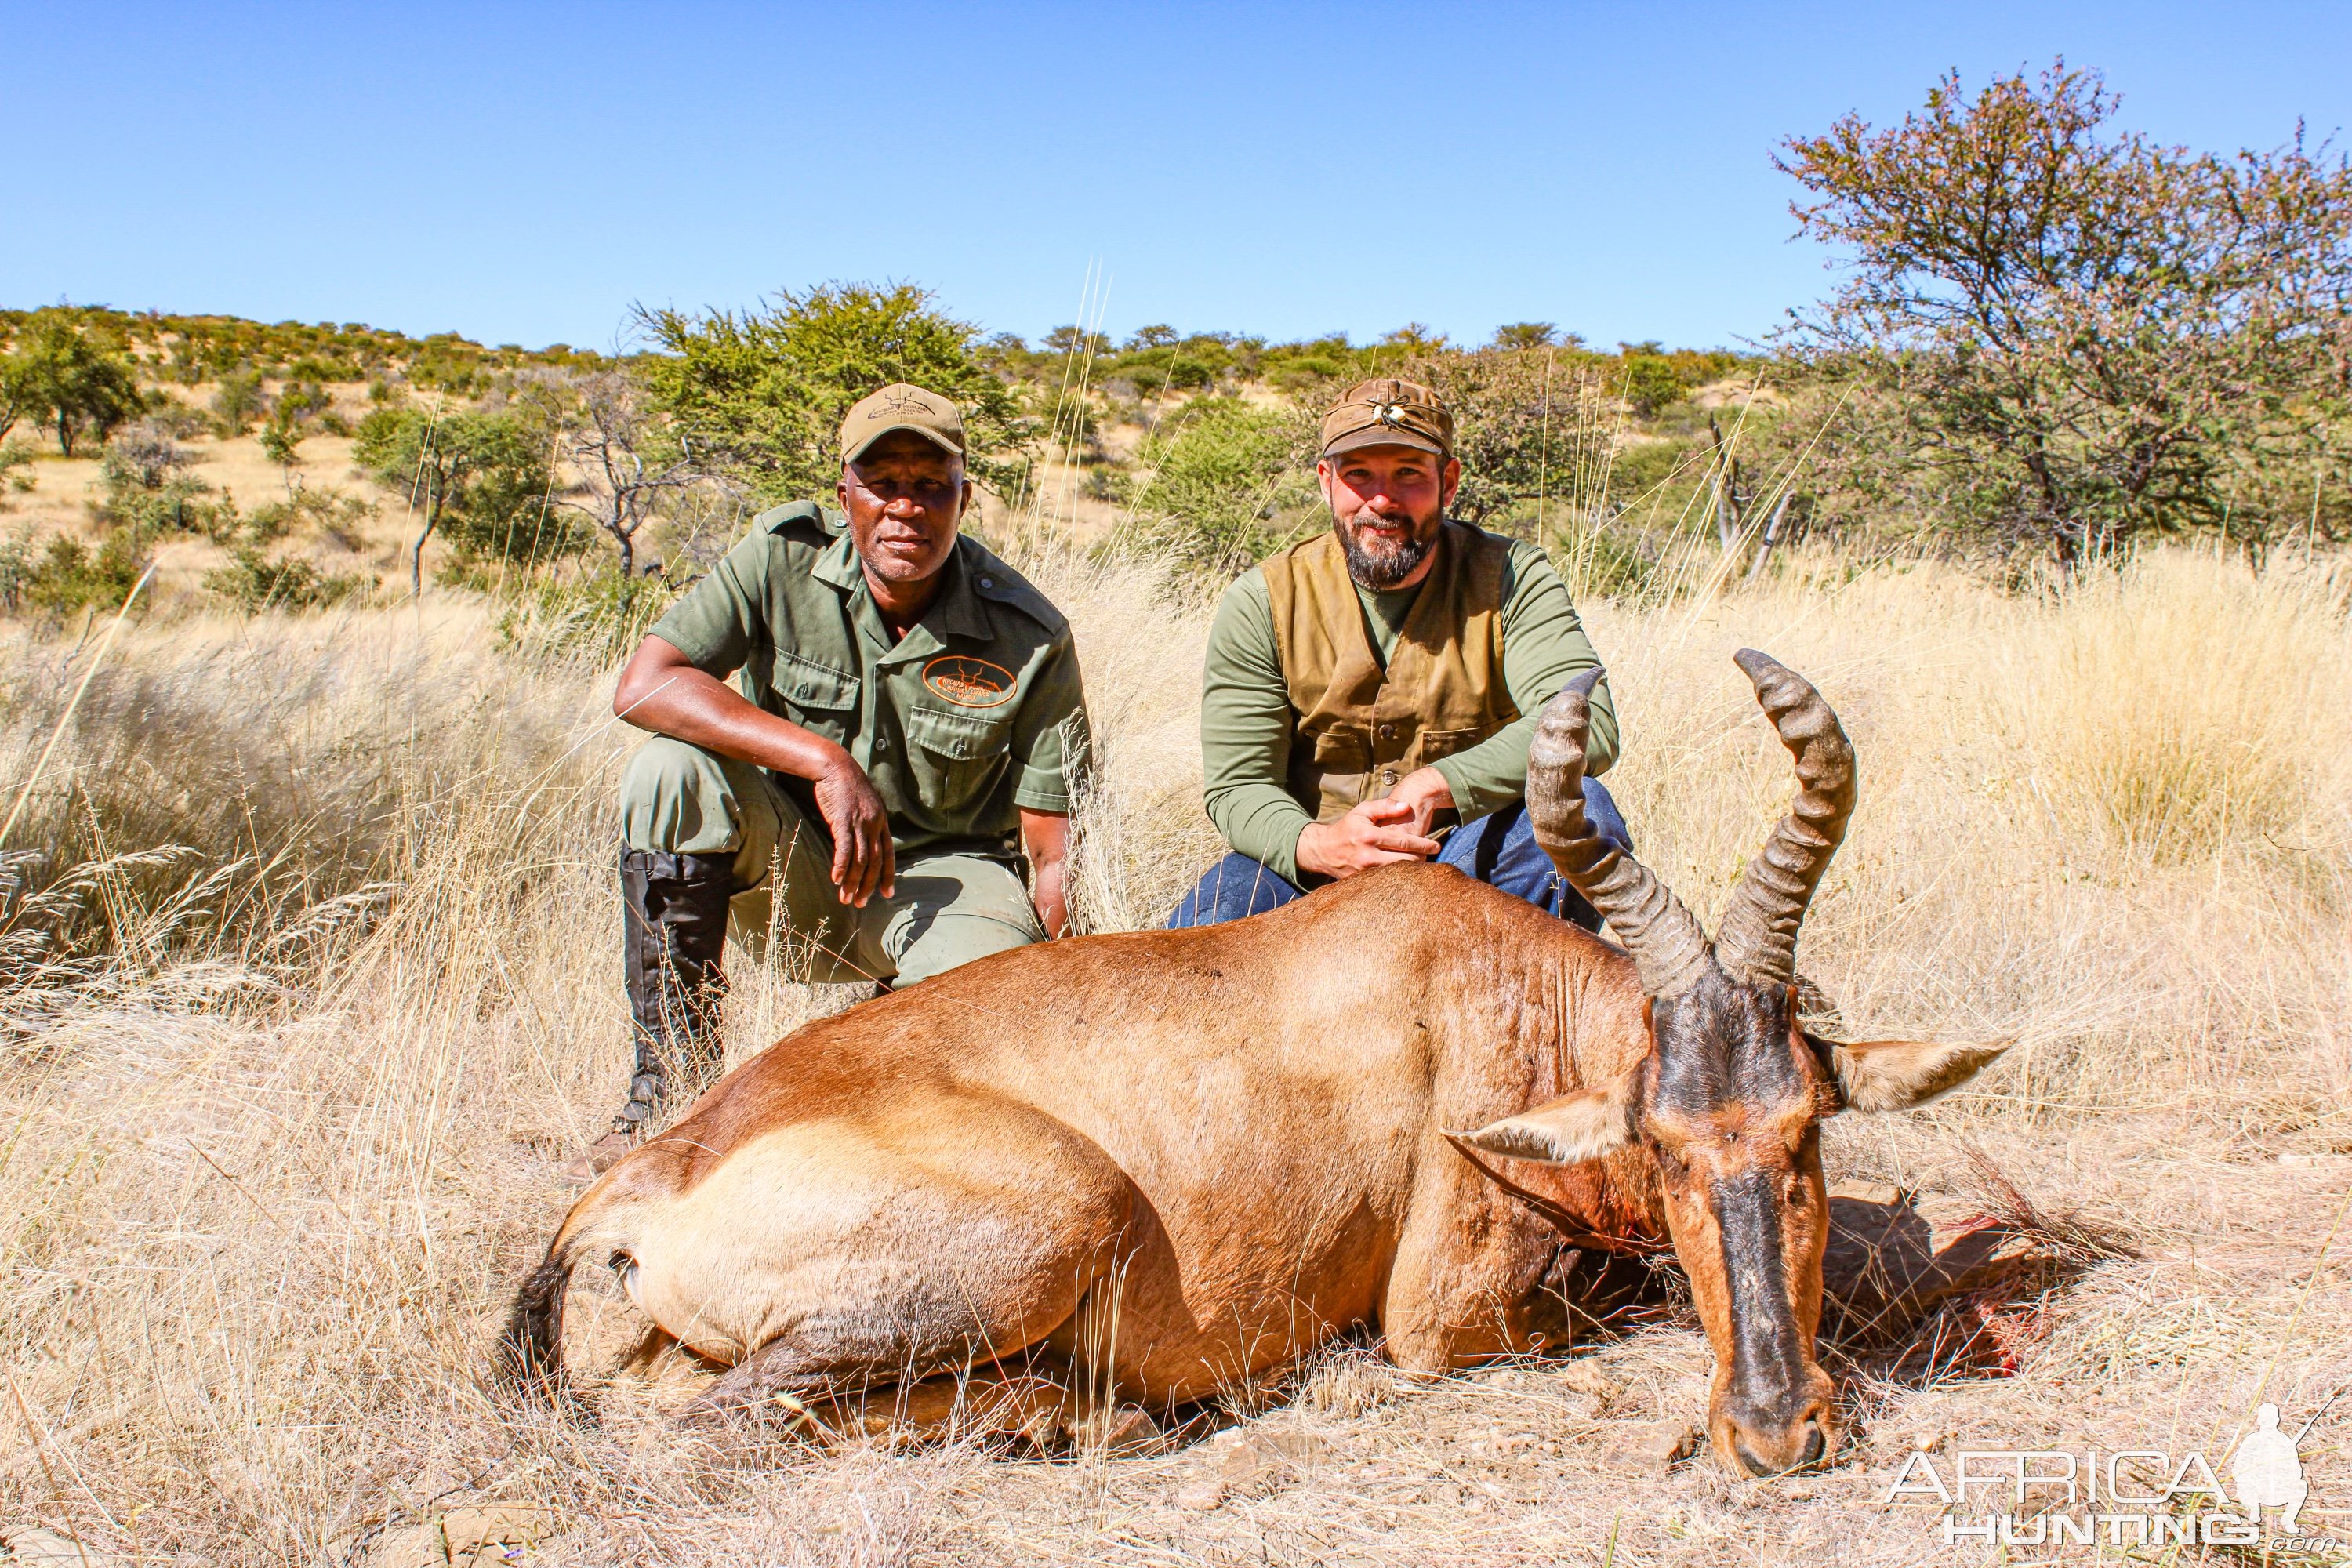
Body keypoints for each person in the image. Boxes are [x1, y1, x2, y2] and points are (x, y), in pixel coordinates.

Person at [571, 383, 1089, 1178]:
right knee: (668, 770)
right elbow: (645, 684)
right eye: (884, 483)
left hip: (946, 883)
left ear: (965, 496)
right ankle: (669, 1091)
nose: (906, 508)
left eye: (930, 484)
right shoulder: (780, 560)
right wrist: (823, 760)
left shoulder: (1030, 631)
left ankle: (889, 1093)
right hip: (796, 874)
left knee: (991, 1026)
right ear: (846, 491)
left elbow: (1050, 850)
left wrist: (1060, 1000)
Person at [1169, 376, 1632, 929]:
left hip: (1462, 858)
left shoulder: (1513, 577)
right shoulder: (1262, 600)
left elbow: (1588, 723)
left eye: (1408, 474)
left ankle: (1496, 1012)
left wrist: (1437, 786)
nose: (1381, 500)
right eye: (1358, 475)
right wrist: (1315, 844)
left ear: (1449, 482)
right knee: (1189, 956)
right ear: (1326, 482)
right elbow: (1239, 786)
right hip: (1310, 868)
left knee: (1586, 815)